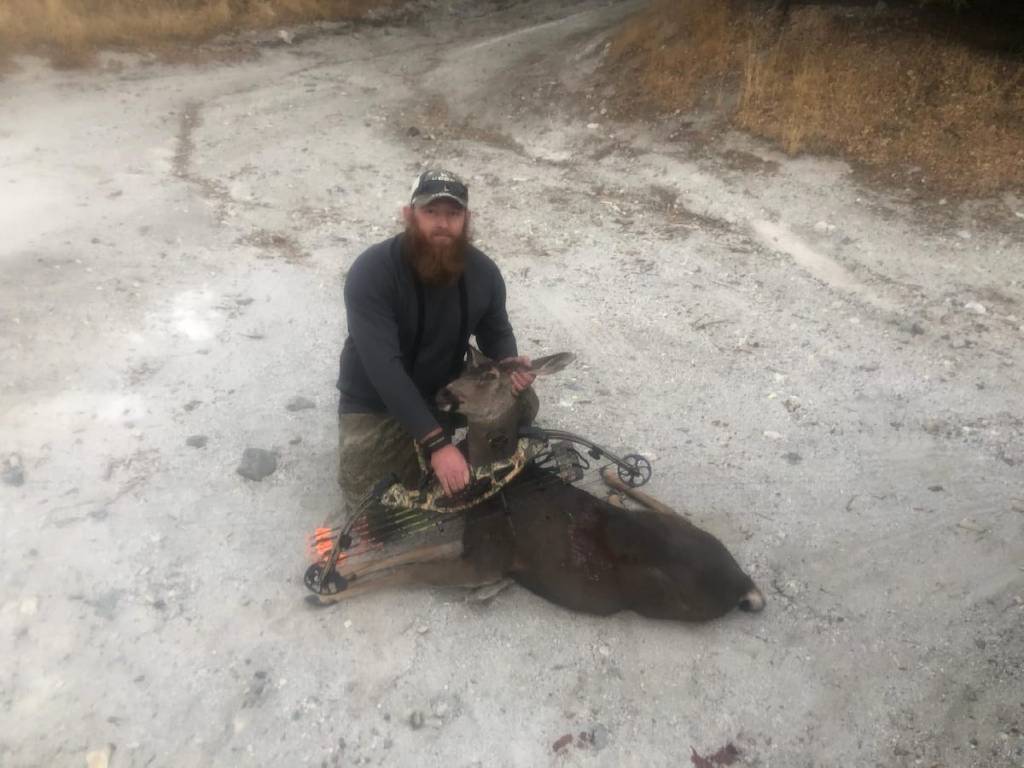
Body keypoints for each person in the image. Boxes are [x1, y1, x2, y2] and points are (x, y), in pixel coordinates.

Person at [334, 169, 536, 521]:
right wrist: (437, 444)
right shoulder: (372, 271)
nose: (442, 224)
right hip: (377, 399)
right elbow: (383, 367)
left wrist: (510, 366)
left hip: (443, 389)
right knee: (376, 517)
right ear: (409, 215)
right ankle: (434, 453)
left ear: (467, 219)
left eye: (453, 214)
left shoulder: (484, 273)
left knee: (522, 399)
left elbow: (496, 333)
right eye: (431, 212)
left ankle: (467, 459)